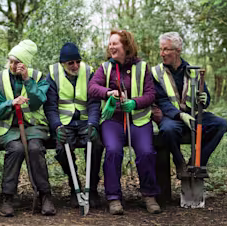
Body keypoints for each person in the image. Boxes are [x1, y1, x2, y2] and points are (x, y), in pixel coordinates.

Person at [89, 30, 161, 214]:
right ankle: (113, 198)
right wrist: (108, 93)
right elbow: (92, 88)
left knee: (146, 152)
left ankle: (149, 195)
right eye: (110, 44)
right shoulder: (105, 68)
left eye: (115, 43)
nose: (111, 47)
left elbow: (151, 94)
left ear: (126, 46)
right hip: (113, 120)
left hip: (138, 119)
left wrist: (134, 103)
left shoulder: (143, 67)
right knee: (112, 151)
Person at [0, 40, 56, 216]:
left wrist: (27, 80)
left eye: (17, 62)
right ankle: (7, 197)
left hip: (33, 127)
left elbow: (37, 102)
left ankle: (45, 195)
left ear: (25, 63)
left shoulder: (38, 76)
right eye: (10, 61)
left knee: (35, 148)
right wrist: (11, 103)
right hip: (7, 128)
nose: (12, 65)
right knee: (16, 149)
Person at [152, 31, 227, 178]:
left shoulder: (194, 71)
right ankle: (179, 162)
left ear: (178, 51)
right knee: (168, 130)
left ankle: (197, 161)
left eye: (166, 49)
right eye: (161, 49)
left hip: (193, 115)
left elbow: (205, 99)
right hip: (172, 117)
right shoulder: (156, 72)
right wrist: (180, 115)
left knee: (221, 124)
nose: (162, 53)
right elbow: (160, 100)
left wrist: (204, 99)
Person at [43, 42, 103, 208]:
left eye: (78, 61)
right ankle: (73, 186)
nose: (75, 65)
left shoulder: (89, 72)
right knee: (62, 148)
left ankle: (92, 189)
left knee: (96, 144)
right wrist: (56, 126)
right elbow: (50, 106)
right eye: (71, 63)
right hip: (64, 123)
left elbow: (94, 102)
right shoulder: (53, 75)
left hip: (85, 120)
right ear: (63, 63)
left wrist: (93, 123)